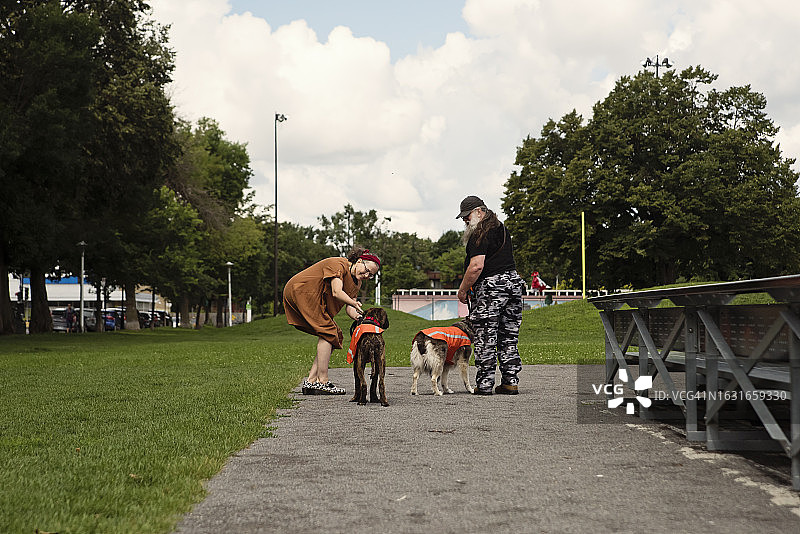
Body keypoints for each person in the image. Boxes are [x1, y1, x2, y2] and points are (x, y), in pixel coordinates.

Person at [283, 246, 381, 395]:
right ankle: (323, 382)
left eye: (371, 275)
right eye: (367, 270)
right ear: (360, 260)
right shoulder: (338, 265)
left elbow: (350, 307)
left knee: (334, 334)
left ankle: (310, 381)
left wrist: (361, 317)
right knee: (329, 331)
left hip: (312, 297)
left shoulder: (357, 283)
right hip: (301, 291)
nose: (367, 275)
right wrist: (353, 303)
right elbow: (336, 291)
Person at [456, 195, 525, 395]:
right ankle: (510, 381)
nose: (464, 221)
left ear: (479, 211)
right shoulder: (501, 228)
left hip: (492, 289)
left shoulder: (480, 233)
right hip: (513, 285)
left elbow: (476, 266)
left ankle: (485, 384)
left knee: (486, 336)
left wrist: (462, 290)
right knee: (508, 336)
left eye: (466, 216)